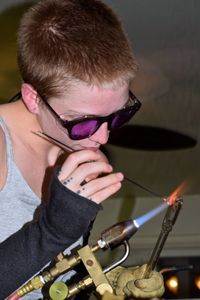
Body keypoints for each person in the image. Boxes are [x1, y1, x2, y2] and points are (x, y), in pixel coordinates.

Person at [0, 0, 164, 299]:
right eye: (83, 122)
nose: (102, 137)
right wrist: (52, 231)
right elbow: (47, 240)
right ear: (33, 98)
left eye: (118, 115)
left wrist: (106, 281)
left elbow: (50, 276)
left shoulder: (77, 156)